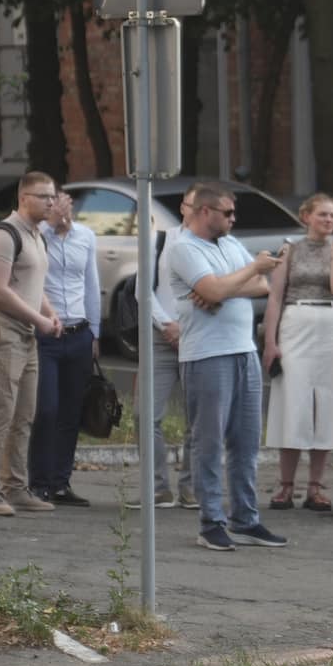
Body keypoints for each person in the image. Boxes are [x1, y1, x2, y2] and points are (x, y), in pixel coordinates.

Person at [163, 181, 285, 551]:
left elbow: (262, 286)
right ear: (205, 212)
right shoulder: (183, 247)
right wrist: (225, 284)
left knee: (246, 442)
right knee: (208, 441)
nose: (234, 218)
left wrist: (222, 287)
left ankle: (245, 519)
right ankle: (210, 521)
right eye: (227, 213)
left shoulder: (230, 244)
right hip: (206, 354)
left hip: (243, 350)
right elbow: (233, 283)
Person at [262, 193, 333, 513]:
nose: (329, 220)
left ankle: (316, 486)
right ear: (306, 216)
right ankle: (285, 485)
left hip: (330, 321)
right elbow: (275, 296)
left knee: (326, 402)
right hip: (296, 320)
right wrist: (270, 341)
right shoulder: (290, 249)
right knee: (293, 399)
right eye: (322, 214)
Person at [0, 172, 61, 518]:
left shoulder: (37, 236)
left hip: (25, 332)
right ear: (24, 198)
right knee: (0, 412)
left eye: (53, 196)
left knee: (24, 414)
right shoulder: (3, 235)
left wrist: (49, 312)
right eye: (44, 197)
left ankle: (16, 487)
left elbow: (31, 285)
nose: (51, 203)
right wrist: (39, 321)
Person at [125, 190, 197, 510]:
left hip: (200, 338)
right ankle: (157, 487)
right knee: (145, 415)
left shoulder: (218, 246)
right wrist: (167, 325)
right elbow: (144, 290)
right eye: (194, 205)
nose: (199, 211)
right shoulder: (160, 240)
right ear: (183, 207)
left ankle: (192, 486)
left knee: (199, 418)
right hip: (161, 336)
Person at [28, 190, 101, 507]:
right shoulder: (37, 236)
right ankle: (38, 482)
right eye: (54, 202)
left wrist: (95, 332)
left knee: (71, 412)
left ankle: (61, 482)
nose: (61, 208)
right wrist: (50, 227)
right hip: (46, 332)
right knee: (46, 409)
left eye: (67, 203)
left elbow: (91, 284)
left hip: (78, 332)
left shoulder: (85, 236)